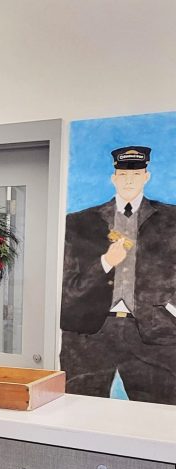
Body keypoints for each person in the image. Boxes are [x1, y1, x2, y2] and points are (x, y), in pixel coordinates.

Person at [60, 145, 176, 404]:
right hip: (89, 335)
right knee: (79, 408)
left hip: (155, 333)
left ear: (146, 176)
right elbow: (66, 285)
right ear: (113, 178)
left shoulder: (172, 219)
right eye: (123, 175)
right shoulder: (78, 223)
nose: (129, 181)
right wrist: (105, 262)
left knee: (158, 415)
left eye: (135, 175)